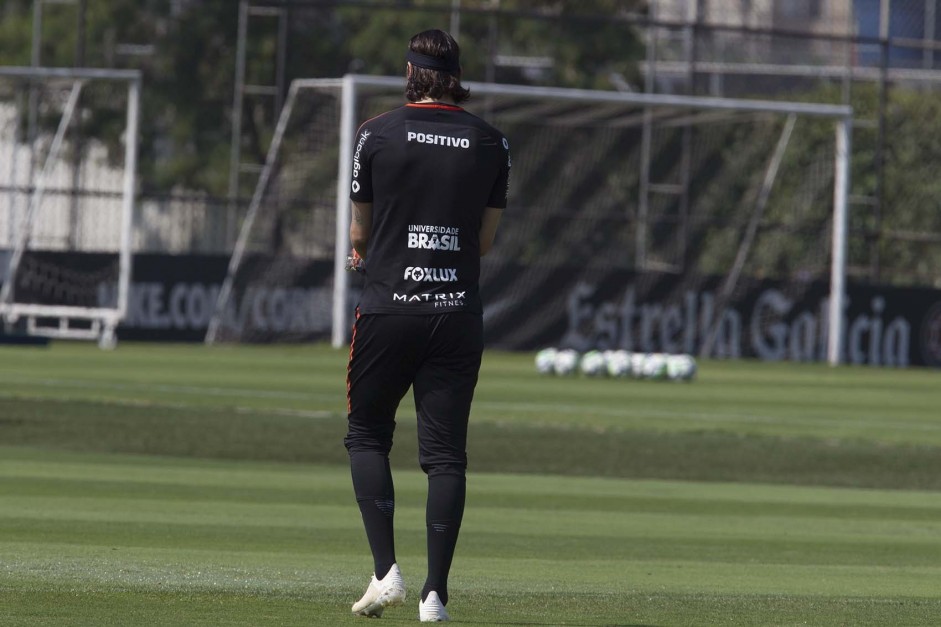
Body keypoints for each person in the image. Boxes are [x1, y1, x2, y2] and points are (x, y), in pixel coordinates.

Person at [344, 28, 510, 623]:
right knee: (445, 457)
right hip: (456, 314)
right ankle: (435, 595)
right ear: (455, 76)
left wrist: (365, 253)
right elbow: (484, 242)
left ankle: (386, 572)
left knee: (367, 434)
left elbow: (360, 235)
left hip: (389, 309)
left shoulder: (374, 134)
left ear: (409, 73)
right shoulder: (493, 142)